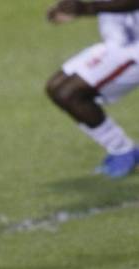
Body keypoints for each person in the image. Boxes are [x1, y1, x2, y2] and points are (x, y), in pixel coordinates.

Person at [46, 0, 139, 178]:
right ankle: (123, 151)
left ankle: (123, 151)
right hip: (119, 43)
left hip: (133, 49)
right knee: (56, 88)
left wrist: (87, 8)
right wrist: (69, 9)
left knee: (69, 93)